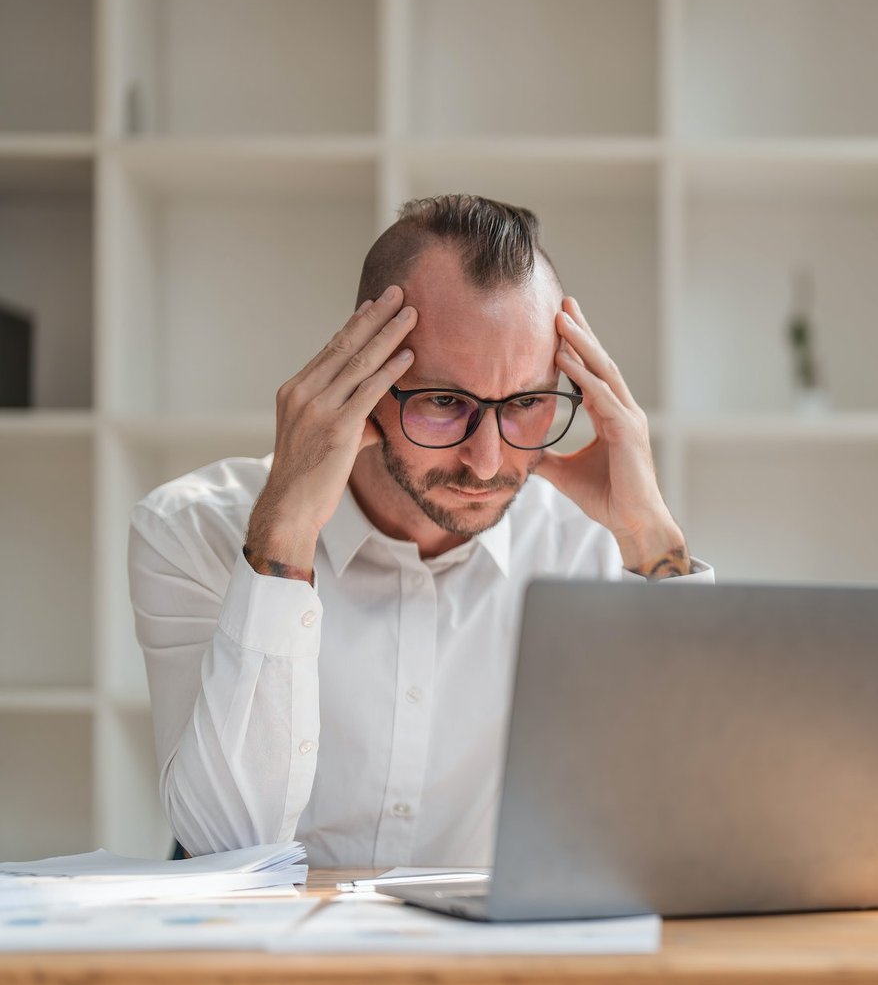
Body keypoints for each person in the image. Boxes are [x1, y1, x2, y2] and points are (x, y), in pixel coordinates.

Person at [128, 194, 712, 866]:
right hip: (271, 964)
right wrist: (284, 535)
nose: (487, 460)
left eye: (525, 404)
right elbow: (224, 845)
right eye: (444, 402)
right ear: (363, 377)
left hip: (487, 966)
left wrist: (649, 536)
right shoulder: (193, 529)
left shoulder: (587, 547)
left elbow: (698, 817)